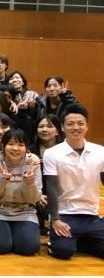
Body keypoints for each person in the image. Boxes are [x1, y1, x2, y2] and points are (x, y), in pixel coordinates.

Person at [43, 103, 104, 259]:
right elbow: (51, 189)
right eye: (70, 124)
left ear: (86, 126)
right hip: (65, 214)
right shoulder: (52, 153)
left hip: (91, 215)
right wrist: (55, 219)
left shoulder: (100, 152)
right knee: (63, 251)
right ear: (62, 128)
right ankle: (74, 240)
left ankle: (81, 240)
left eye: (80, 123)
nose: (76, 127)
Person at [0, 129, 42, 256]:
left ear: (26, 148)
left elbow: (34, 199)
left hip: (24, 212)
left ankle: (14, 235)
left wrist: (29, 183)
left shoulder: (32, 165)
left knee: (29, 247)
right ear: (3, 146)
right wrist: (2, 181)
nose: (15, 148)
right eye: (11, 144)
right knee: (0, 246)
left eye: (21, 145)